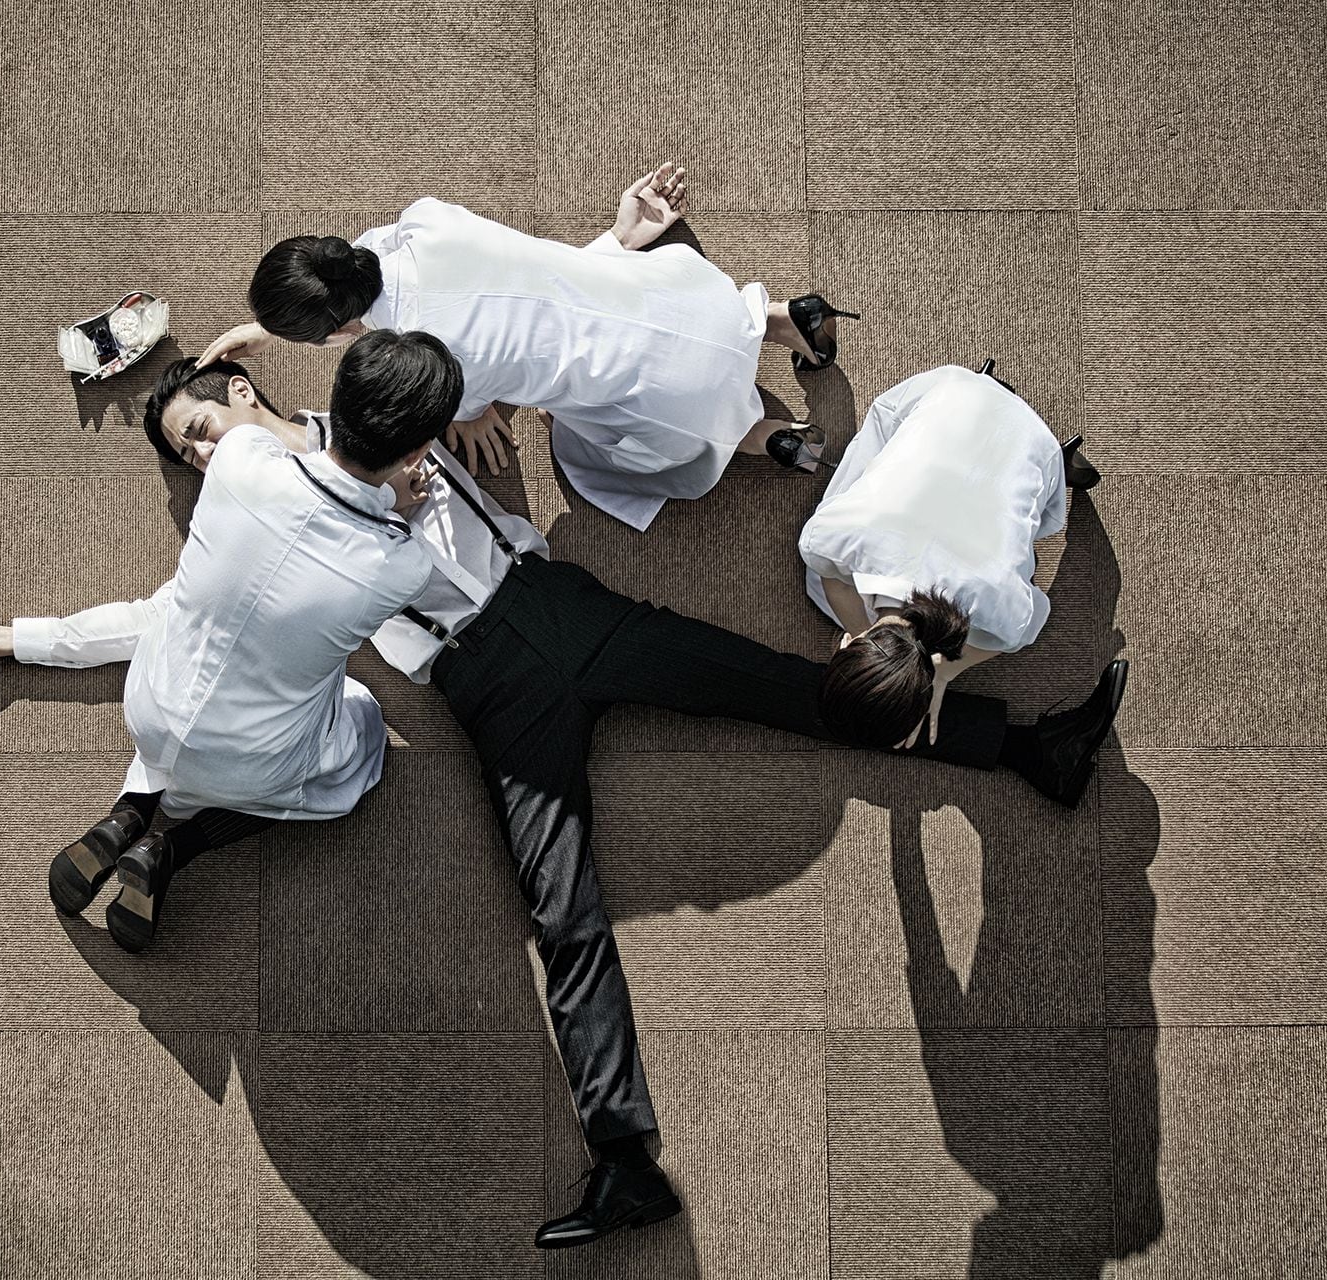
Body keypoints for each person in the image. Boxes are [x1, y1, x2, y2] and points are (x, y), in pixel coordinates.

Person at [126, 356, 1129, 1249]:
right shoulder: (252, 508)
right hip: (487, 684)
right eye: (189, 453)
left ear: (248, 391)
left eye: (203, 430)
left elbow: (473, 344)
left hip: (556, 606)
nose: (205, 458)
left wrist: (474, 410)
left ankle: (1033, 749)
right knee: (561, 905)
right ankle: (627, 1159)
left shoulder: (378, 399)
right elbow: (204, 634)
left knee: (777, 683)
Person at [0, 331, 463, 951]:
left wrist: (7, 637)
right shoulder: (402, 566)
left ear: (338, 396)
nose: (198, 451)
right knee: (363, 732)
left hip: (150, 713)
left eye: (197, 433)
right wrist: (397, 504)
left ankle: (130, 813)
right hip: (252, 764)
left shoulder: (241, 458)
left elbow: (147, 617)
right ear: (419, 447)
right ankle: (173, 846)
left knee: (181, 648)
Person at [198, 163, 852, 531]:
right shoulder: (421, 219)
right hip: (688, 296)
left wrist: (474, 413)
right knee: (603, 299)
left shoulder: (423, 359)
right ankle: (783, 318)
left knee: (584, 443)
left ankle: (769, 437)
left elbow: (463, 393)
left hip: (680, 395)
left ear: (337, 335)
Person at [799, 360, 1120, 800]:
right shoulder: (826, 539)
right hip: (951, 390)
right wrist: (865, 635)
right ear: (847, 647)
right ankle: (997, 432)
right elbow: (832, 577)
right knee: (821, 577)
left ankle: (1036, 466)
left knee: (819, 592)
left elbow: (1023, 627)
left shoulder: (999, 609)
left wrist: (947, 673)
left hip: (1035, 446)